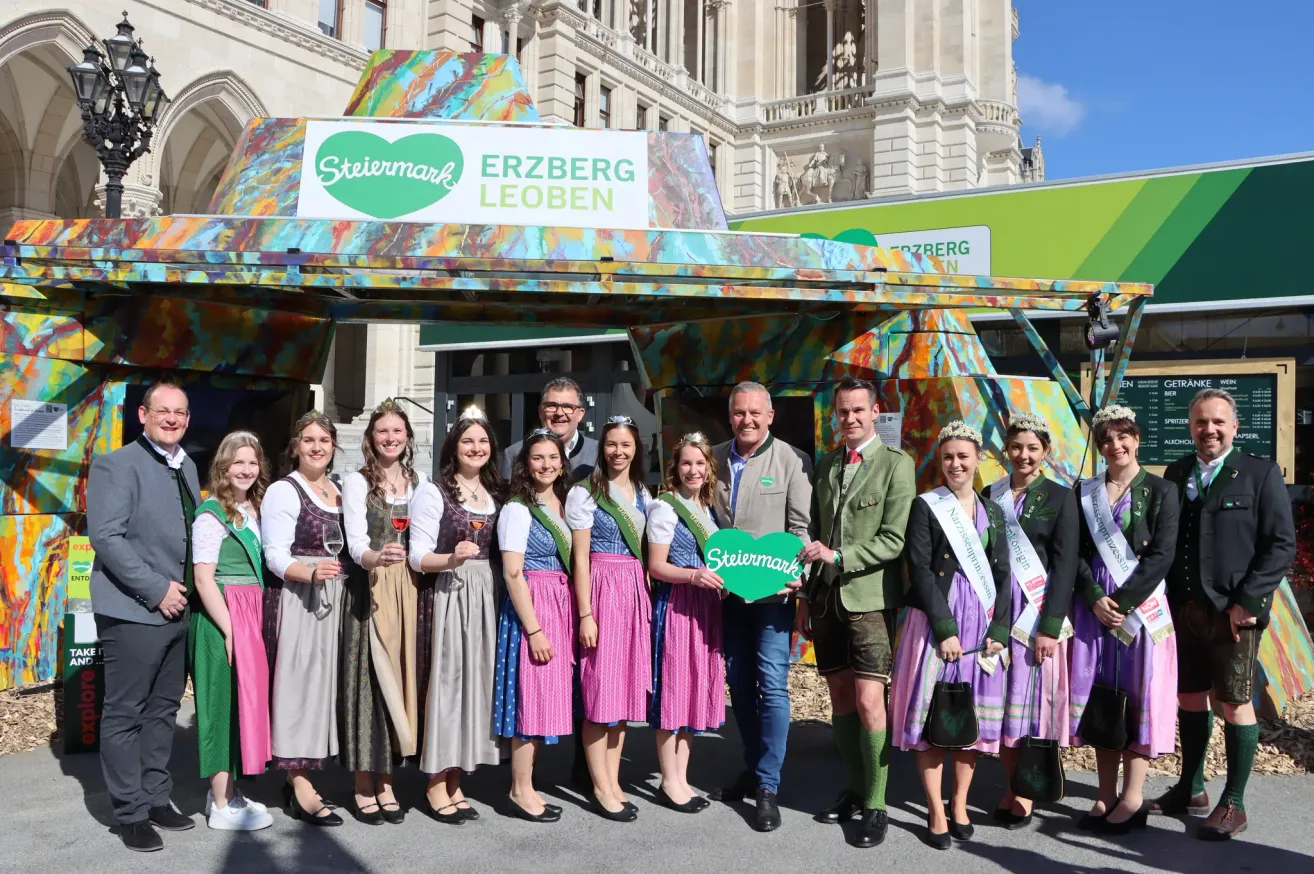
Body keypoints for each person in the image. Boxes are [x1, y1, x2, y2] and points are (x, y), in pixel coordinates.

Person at [1150, 388, 1295, 840]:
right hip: (1185, 609)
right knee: (1189, 698)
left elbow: (1280, 545)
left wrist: (1248, 603)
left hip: (1233, 615)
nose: (1208, 429)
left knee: (1235, 705)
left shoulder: (1259, 473)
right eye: (1199, 422)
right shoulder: (1176, 473)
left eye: (1217, 422)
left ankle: (1234, 803)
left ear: (1234, 426)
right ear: (1190, 427)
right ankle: (1191, 788)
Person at [798, 377, 916, 848]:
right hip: (827, 599)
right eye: (842, 412)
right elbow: (814, 534)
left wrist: (840, 557)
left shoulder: (896, 464)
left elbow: (894, 539)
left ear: (875, 413)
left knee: (870, 702)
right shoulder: (827, 465)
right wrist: (806, 591)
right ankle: (853, 787)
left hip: (869, 599)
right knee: (841, 700)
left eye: (858, 411)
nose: (849, 418)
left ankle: (877, 804)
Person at [87, 381, 201, 851]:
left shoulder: (188, 465)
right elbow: (106, 537)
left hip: (179, 613)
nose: (171, 419)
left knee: (163, 711)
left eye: (179, 412)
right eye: (162, 411)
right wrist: (157, 591)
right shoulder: (116, 465)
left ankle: (156, 797)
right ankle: (129, 812)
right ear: (143, 415)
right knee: (125, 714)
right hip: (135, 611)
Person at [889, 421, 1011, 851]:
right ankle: (935, 809)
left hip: (982, 619)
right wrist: (944, 629)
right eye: (948, 457)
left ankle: (959, 804)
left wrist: (1001, 628)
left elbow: (1002, 573)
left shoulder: (993, 509)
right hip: (939, 621)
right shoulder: (927, 506)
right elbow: (919, 568)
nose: (955, 464)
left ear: (978, 459)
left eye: (963, 456)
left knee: (968, 716)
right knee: (932, 715)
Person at [1069, 404, 1180, 835]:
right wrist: (1095, 596)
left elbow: (1162, 555)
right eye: (1106, 440)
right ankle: (1103, 793)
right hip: (1095, 607)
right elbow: (1075, 551)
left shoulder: (1161, 490)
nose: (1115, 446)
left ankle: (1133, 796)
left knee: (1137, 696)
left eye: (1122, 437)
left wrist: (1122, 602)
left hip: (1140, 606)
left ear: (1136, 439)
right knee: (1103, 696)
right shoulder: (1085, 491)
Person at [710, 381, 812, 832]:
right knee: (738, 682)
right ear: (729, 415)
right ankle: (754, 766)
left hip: (773, 597)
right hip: (726, 595)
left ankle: (768, 786)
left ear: (771, 415)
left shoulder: (792, 461)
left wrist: (801, 582)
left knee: (772, 685)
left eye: (755, 413)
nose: (746, 421)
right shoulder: (711, 458)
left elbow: (801, 530)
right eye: (738, 413)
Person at [409, 406, 506, 824]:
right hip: (450, 593)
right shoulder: (435, 491)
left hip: (486, 593)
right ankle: (435, 781)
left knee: (475, 685)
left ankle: (456, 778)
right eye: (468, 440)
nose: (476, 447)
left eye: (483, 441)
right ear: (454, 445)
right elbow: (417, 556)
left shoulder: (494, 492)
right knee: (447, 685)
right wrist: (450, 559)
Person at [988, 412, 1078, 829]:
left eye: (1032, 448)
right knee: (1004, 703)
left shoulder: (1062, 498)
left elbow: (1065, 567)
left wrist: (1050, 626)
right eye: (1017, 447)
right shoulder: (991, 494)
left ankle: (1025, 792)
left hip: (1037, 613)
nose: (1023, 455)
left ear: (1045, 452)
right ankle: (1011, 785)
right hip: (1000, 612)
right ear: (1007, 450)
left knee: (1030, 707)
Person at [340, 400, 427, 825]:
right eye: (382, 432)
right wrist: (374, 558)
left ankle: (388, 779)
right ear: (370, 439)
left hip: (408, 587)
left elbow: (424, 538)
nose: (390, 438)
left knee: (401, 680)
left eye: (397, 431)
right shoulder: (358, 484)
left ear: (408, 437)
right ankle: (362, 781)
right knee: (369, 684)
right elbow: (355, 541)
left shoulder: (419, 482)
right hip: (371, 584)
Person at [261, 411, 347, 827]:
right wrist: (310, 573)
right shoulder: (284, 490)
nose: (317, 447)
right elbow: (274, 554)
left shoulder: (339, 489)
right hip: (299, 596)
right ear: (295, 446)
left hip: (334, 597)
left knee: (320, 688)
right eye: (308, 440)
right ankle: (299, 784)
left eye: (324, 440)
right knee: (297, 689)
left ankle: (305, 775)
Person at [566, 415, 652, 822]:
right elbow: (579, 558)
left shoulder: (643, 494)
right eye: (612, 444)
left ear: (637, 450)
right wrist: (585, 613)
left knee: (621, 696)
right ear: (602, 447)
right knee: (600, 692)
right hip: (601, 589)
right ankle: (600, 786)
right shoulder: (585, 494)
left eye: (626, 445)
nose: (619, 451)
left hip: (633, 593)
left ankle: (614, 780)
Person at [188, 431, 274, 831]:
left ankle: (231, 791)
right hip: (224, 615)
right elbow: (204, 579)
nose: (246, 469)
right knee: (219, 707)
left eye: (252, 463)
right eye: (238, 462)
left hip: (249, 614)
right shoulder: (210, 514)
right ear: (223, 466)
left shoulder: (251, 508)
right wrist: (230, 630)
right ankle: (220, 803)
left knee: (242, 707)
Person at [492, 429, 575, 823]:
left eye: (552, 457)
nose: (546, 465)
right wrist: (534, 628)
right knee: (529, 699)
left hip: (560, 604)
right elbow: (512, 573)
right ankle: (519, 789)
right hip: (534, 607)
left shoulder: (562, 504)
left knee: (544, 699)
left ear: (562, 462)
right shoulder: (518, 508)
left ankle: (528, 785)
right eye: (538, 458)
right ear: (525, 464)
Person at [645, 432, 725, 814]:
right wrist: (693, 576)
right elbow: (656, 566)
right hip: (678, 604)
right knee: (674, 689)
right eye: (686, 463)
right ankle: (668, 780)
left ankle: (682, 776)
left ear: (709, 467)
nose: (693, 470)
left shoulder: (708, 509)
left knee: (694, 688)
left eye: (699, 463)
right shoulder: (666, 507)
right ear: (675, 468)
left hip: (706, 607)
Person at [502, 377, 600, 482]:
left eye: (567, 406)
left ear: (580, 414)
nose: (559, 413)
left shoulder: (599, 452)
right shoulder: (514, 454)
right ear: (540, 412)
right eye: (552, 406)